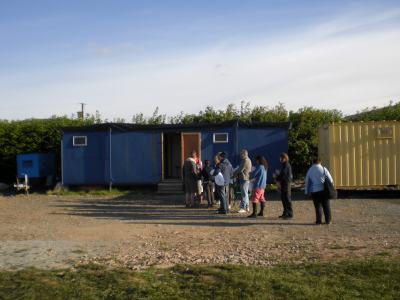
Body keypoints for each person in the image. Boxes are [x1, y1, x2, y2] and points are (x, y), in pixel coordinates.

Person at [305, 157, 334, 225]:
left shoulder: (310, 170)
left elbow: (307, 182)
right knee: (326, 206)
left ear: (313, 162)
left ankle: (319, 221)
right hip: (324, 190)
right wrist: (332, 188)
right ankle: (328, 221)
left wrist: (306, 191)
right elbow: (331, 180)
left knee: (318, 206)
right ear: (320, 162)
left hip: (314, 191)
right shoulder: (324, 169)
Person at [232, 149, 252, 213]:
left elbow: (240, 170)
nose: (240, 155)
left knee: (244, 194)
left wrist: (232, 175)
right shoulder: (246, 160)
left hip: (244, 178)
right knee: (245, 193)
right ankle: (247, 207)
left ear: (244, 154)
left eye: (241, 154)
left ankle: (243, 208)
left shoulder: (245, 160)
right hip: (245, 178)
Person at [275, 152, 293, 219]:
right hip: (283, 184)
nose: (280, 159)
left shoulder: (287, 165)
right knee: (283, 199)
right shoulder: (284, 165)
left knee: (287, 199)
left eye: (281, 158)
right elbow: (281, 174)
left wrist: (277, 179)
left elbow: (283, 174)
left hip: (286, 185)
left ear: (285, 158)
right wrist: (277, 178)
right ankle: (285, 213)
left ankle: (290, 214)